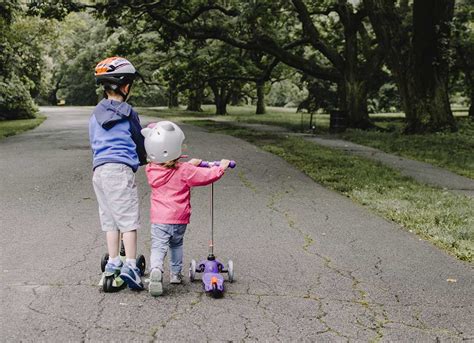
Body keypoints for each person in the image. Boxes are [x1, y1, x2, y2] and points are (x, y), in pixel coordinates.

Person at [141, 121, 230, 296]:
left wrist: (190, 163)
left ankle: (156, 270)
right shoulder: (185, 170)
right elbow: (205, 176)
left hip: (159, 219)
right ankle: (175, 274)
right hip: (179, 218)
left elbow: (170, 167)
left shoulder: (151, 170)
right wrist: (221, 168)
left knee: (158, 247)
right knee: (176, 245)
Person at [89, 57, 147, 290]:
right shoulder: (128, 112)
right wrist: (145, 159)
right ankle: (131, 265)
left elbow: (94, 142)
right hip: (119, 171)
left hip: (100, 171)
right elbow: (139, 139)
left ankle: (113, 261)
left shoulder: (94, 114)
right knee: (128, 221)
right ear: (125, 87)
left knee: (110, 220)